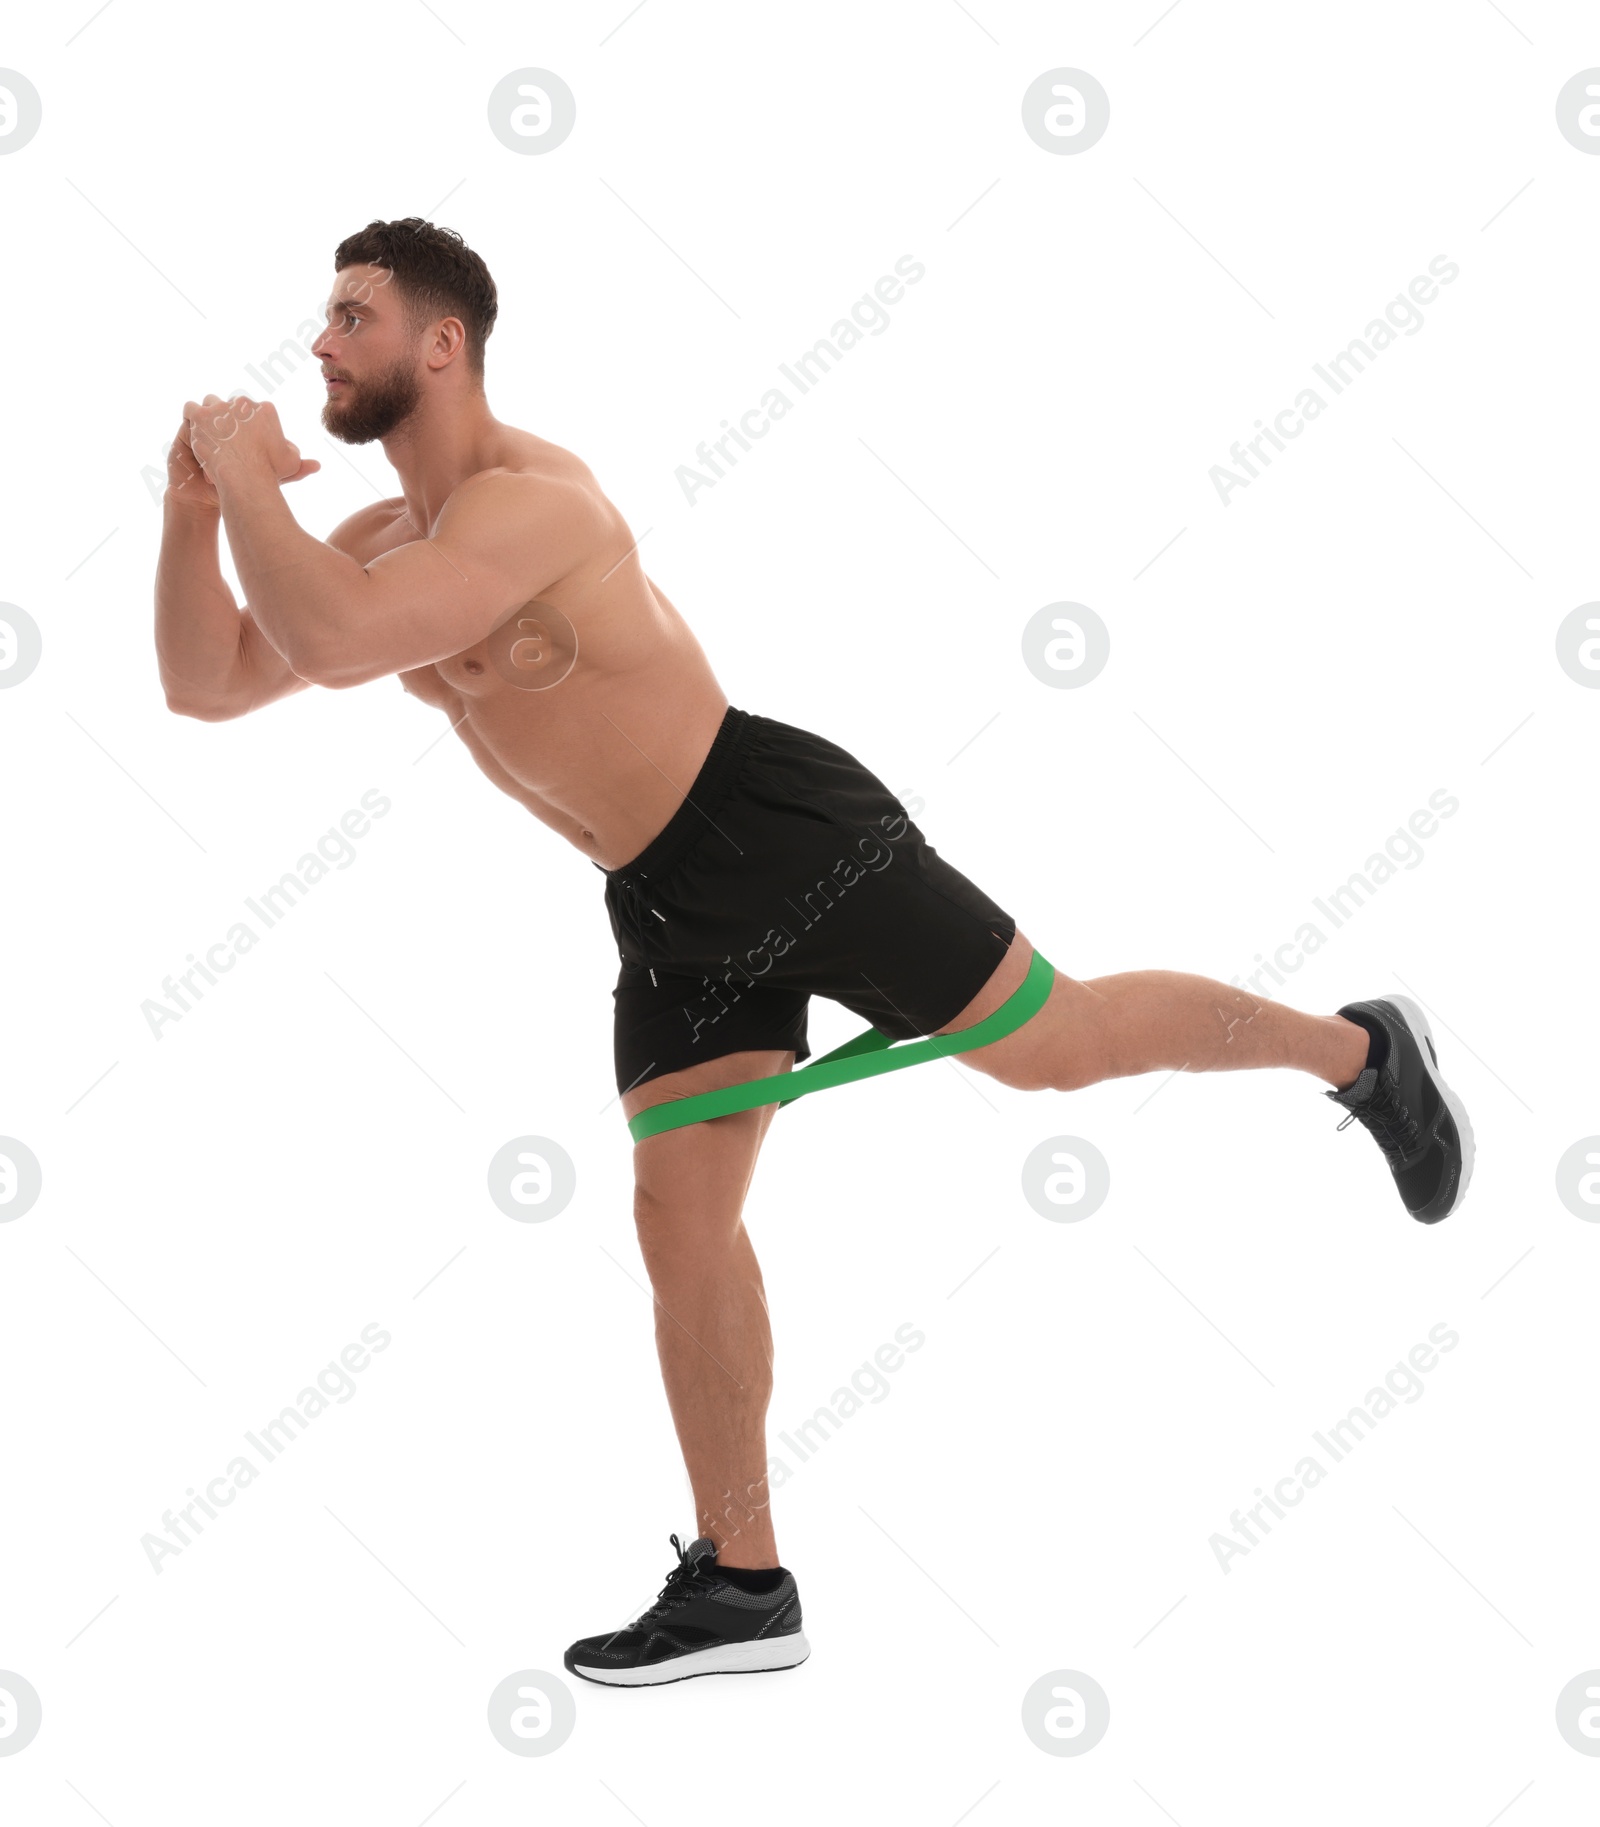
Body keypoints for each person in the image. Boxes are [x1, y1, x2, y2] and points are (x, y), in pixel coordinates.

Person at [155, 217, 1474, 1689]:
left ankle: (1363, 1052)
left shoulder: (530, 505)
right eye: (324, 319)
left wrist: (240, 460)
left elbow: (336, 645)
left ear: (439, 344)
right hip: (656, 897)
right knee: (680, 1221)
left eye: (352, 315)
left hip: (775, 826)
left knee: (1064, 1050)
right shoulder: (373, 541)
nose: (322, 342)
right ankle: (743, 1583)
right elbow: (209, 683)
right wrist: (190, 506)